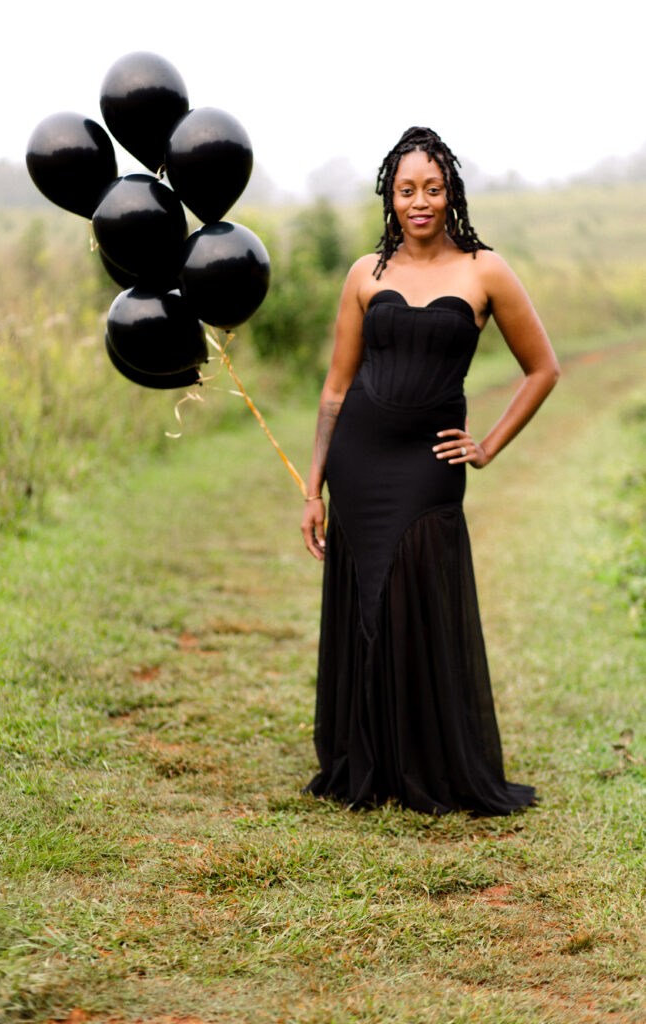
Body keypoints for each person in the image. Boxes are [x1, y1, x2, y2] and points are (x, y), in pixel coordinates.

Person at [300, 127, 560, 816]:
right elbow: (334, 389)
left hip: (429, 464)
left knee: (417, 596)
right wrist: (312, 485)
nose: (420, 201)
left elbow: (543, 369)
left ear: (451, 194)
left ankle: (430, 764)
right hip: (358, 461)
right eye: (407, 188)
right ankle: (371, 762)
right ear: (390, 194)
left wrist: (487, 444)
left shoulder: (485, 270)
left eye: (433, 188)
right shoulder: (366, 273)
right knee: (365, 606)